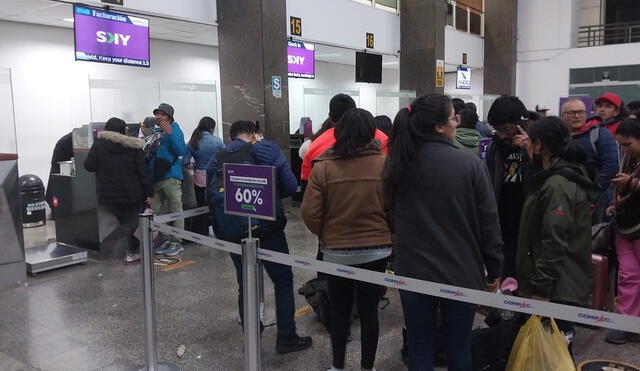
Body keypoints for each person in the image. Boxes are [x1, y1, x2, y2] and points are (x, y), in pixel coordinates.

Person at [383, 94, 503, 371]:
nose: (456, 123)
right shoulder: (469, 164)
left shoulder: (398, 164)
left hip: (413, 272)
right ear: (439, 126)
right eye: (453, 118)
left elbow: (388, 212)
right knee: (459, 348)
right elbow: (489, 222)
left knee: (420, 345)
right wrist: (494, 269)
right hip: (460, 271)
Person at [206, 121, 312, 355]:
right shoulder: (269, 149)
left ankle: (252, 336)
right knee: (282, 280)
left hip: (233, 230)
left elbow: (209, 192)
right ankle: (286, 336)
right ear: (253, 134)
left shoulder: (218, 156)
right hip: (267, 227)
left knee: (245, 282)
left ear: (231, 136)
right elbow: (290, 185)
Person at [301, 108, 391, 371]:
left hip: (336, 252)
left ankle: (338, 366)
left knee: (339, 310)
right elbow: (396, 208)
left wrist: (326, 234)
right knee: (369, 310)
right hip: (378, 251)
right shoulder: (386, 165)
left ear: (337, 132)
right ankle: (367, 367)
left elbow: (310, 213)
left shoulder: (323, 167)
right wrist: (389, 233)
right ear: (371, 133)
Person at [517, 116, 598, 352]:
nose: (527, 147)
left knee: (552, 354)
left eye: (530, 141)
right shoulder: (558, 178)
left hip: (557, 287)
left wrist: (541, 289)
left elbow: (554, 239)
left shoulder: (558, 184)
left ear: (541, 145)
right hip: (558, 282)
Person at [84, 117, 153, 264]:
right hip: (132, 193)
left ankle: (110, 252)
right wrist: (149, 193)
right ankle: (130, 253)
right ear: (124, 130)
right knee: (132, 223)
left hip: (107, 194)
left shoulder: (99, 145)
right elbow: (143, 172)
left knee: (117, 222)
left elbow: (89, 166)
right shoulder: (134, 146)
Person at [486, 95, 531, 279]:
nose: (503, 135)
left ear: (520, 123)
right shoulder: (495, 147)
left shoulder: (540, 141)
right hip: (503, 216)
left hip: (529, 216)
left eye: (506, 129)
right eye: (498, 130)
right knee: (506, 267)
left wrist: (529, 151)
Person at [300, 94, 389, 181]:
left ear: (330, 117)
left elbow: (307, 183)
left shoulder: (315, 145)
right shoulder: (383, 139)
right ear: (355, 112)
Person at [606, 118, 640, 344]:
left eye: (628, 144)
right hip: (624, 226)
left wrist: (632, 183)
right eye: (621, 144)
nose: (624, 149)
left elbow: (630, 186)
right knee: (628, 276)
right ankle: (628, 323)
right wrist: (614, 205)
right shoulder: (628, 159)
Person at [561, 98, 619, 223]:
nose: (577, 116)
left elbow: (611, 166)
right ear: (562, 116)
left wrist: (593, 192)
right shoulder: (560, 137)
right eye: (571, 113)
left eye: (581, 112)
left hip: (598, 196)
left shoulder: (600, 134)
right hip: (567, 196)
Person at [148, 103, 187, 256]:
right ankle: (166, 239)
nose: (158, 117)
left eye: (162, 114)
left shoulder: (175, 129)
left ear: (169, 117)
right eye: (157, 114)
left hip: (171, 176)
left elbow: (181, 151)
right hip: (156, 177)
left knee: (176, 209)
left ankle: (177, 241)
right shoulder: (155, 132)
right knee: (156, 211)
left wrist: (170, 133)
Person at [182, 116, 224, 236]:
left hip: (199, 178)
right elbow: (225, 159)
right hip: (215, 178)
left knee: (201, 207)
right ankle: (219, 231)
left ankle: (203, 233)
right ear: (211, 128)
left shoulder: (193, 141)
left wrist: (195, 166)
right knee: (216, 205)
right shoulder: (218, 141)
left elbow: (184, 162)